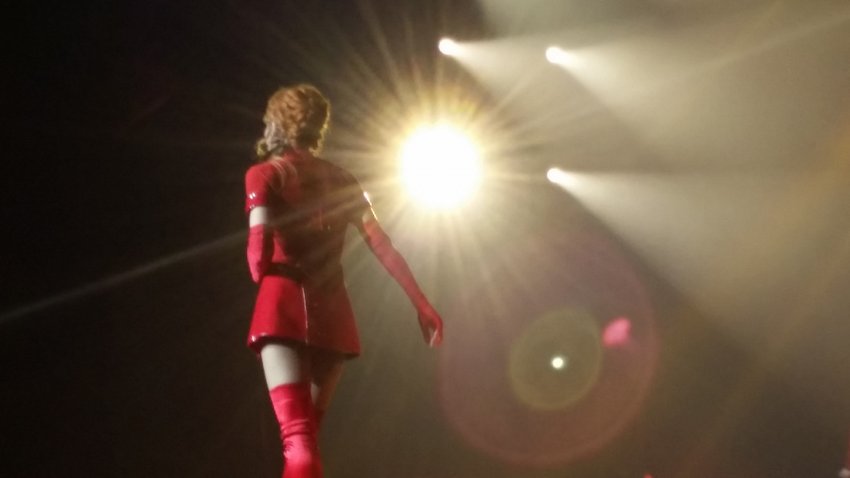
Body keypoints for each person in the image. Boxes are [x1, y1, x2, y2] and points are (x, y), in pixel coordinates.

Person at [244, 84, 444, 478]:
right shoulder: (343, 179)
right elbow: (383, 246)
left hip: (282, 308)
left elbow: (257, 259)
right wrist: (422, 303)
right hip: (334, 316)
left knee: (297, 440)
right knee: (305, 442)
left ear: (279, 123)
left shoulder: (264, 174)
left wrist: (265, 257)